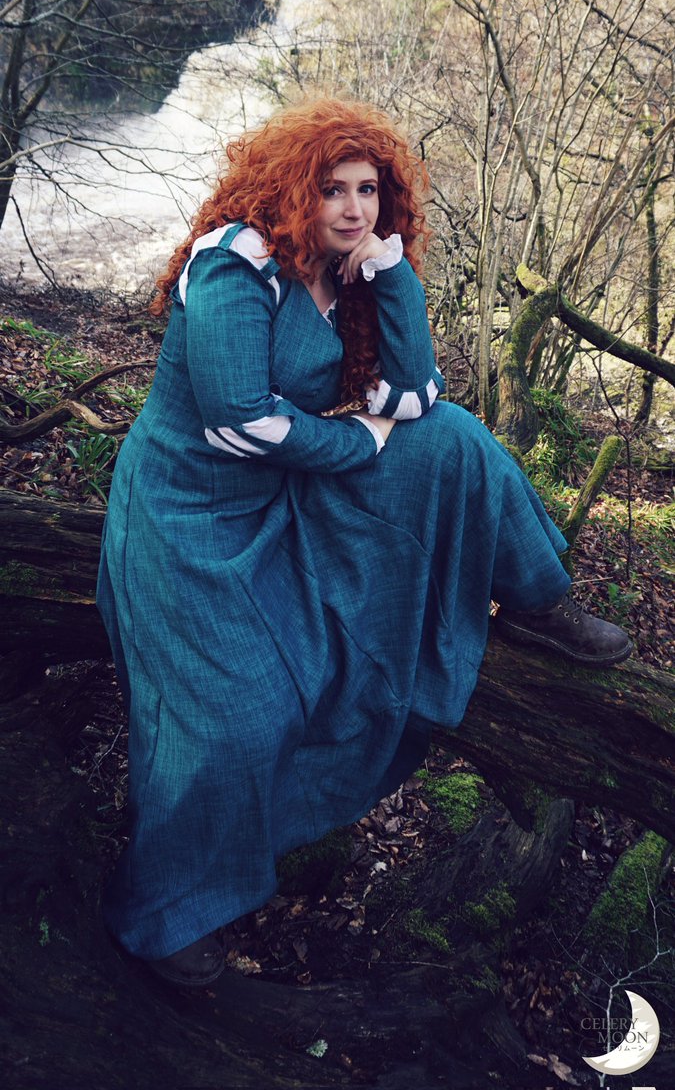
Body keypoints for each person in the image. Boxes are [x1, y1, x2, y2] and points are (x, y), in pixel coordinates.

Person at [96, 98, 631, 987]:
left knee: (451, 438)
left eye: (368, 191)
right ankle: (166, 911)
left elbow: (414, 396)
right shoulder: (234, 264)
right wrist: (357, 443)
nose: (352, 208)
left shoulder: (350, 268)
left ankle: (539, 601)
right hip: (191, 516)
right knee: (238, 719)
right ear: (290, 189)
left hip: (290, 489)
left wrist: (389, 275)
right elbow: (238, 423)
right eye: (332, 189)